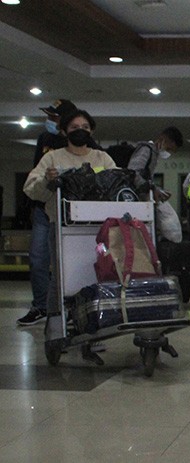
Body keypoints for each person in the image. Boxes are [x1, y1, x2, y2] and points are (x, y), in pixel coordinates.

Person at [23, 109, 117, 355]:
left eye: (85, 126)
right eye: (75, 126)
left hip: (96, 230)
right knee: (61, 278)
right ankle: (57, 331)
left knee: (96, 275)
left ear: (92, 131)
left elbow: (117, 185)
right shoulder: (52, 158)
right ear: (64, 131)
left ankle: (95, 329)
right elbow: (31, 189)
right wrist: (47, 180)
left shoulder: (102, 159)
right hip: (62, 226)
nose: (80, 130)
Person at [17, 99, 82, 326]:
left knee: (69, 261)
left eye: (54, 118)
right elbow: (36, 175)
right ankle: (41, 306)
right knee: (38, 258)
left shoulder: (85, 145)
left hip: (68, 212)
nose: (49, 121)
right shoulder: (45, 141)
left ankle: (69, 308)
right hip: (43, 209)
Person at [127, 127, 185, 242]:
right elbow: (133, 172)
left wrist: (157, 190)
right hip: (136, 199)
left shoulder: (153, 153)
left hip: (141, 199)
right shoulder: (146, 149)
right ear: (163, 139)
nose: (168, 152)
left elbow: (145, 177)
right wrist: (152, 188)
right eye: (169, 148)